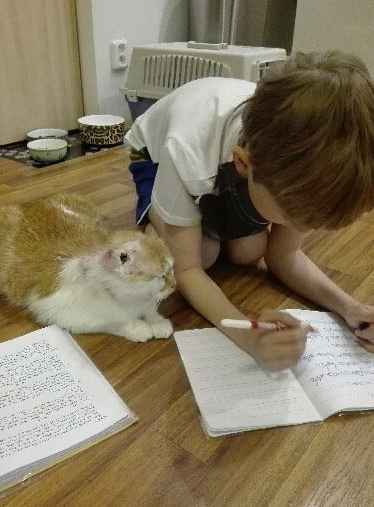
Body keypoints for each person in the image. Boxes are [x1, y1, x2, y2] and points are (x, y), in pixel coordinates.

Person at [124, 50, 374, 370]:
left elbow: (284, 255)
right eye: (291, 216)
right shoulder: (187, 154)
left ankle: (204, 224)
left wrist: (351, 308)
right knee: (203, 255)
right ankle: (158, 223)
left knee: (248, 251)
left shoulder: (293, 162)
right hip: (153, 153)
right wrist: (250, 338)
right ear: (244, 163)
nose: (301, 228)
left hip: (221, 160)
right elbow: (187, 271)